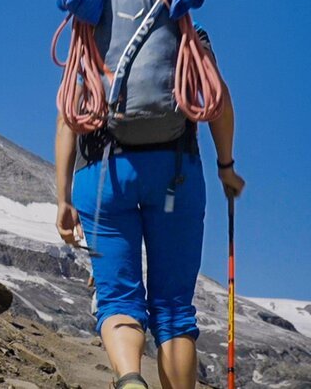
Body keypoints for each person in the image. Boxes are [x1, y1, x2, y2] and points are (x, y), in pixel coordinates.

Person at [54, 23, 245, 389]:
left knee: (117, 300)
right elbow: (218, 101)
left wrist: (63, 197)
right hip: (174, 175)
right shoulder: (187, 32)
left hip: (104, 177)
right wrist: (226, 166)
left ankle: (130, 381)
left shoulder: (93, 32)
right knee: (174, 309)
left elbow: (67, 117)